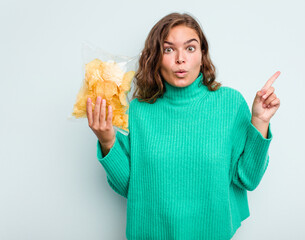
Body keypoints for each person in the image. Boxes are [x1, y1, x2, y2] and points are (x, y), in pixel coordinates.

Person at [86, 12, 280, 240]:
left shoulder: (230, 103)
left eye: (190, 48)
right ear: (156, 57)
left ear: (202, 54)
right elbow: (132, 188)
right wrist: (107, 141)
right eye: (168, 49)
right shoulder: (138, 110)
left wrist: (260, 121)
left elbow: (248, 178)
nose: (180, 59)